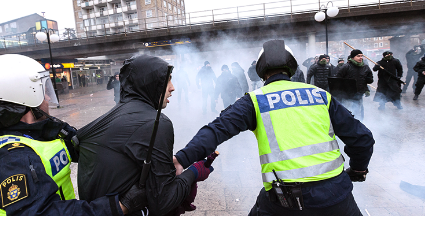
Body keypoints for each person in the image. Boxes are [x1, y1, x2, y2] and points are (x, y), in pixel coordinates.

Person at [173, 40, 374, 216]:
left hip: (287, 201)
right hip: (338, 194)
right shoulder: (320, 95)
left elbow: (215, 130)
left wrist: (182, 159)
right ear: (291, 68)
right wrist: (357, 169)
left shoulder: (254, 101)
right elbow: (362, 138)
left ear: (261, 71)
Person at [0, 54, 145, 216]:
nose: (48, 97)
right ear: (27, 96)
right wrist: (119, 205)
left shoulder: (43, 131)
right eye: (43, 91)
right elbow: (45, 216)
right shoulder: (10, 160)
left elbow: (88, 147)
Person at [76, 55, 213, 216]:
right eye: (167, 80)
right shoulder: (155, 123)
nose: (173, 87)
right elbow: (164, 200)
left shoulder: (116, 114)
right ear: (150, 83)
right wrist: (194, 173)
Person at [336, 49, 374, 121]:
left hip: (359, 94)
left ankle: (359, 126)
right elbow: (337, 80)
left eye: (361, 56)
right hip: (347, 95)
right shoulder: (346, 67)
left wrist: (366, 88)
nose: (361, 58)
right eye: (358, 56)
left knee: (358, 113)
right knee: (347, 112)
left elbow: (367, 81)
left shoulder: (365, 67)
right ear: (352, 57)